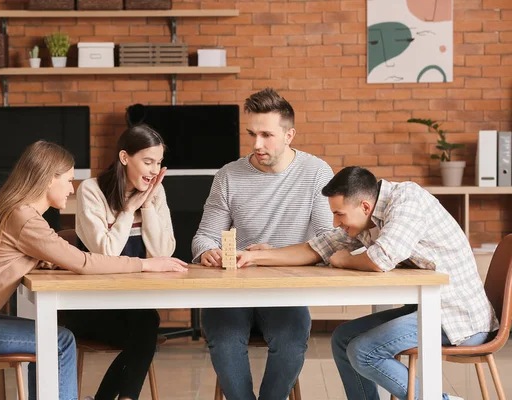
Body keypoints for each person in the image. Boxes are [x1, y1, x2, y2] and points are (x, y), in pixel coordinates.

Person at [0, 140, 187, 400]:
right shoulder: (25, 219)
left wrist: (56, 252)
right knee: (59, 342)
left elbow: (43, 249)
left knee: (49, 335)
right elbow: (83, 262)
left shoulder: (13, 211)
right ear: (50, 178)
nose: (72, 189)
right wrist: (145, 264)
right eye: (69, 180)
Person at [236, 166, 499, 400]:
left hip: (456, 318)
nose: (336, 223)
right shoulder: (368, 219)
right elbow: (316, 249)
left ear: (364, 206)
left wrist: (343, 262)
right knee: (342, 339)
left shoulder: (408, 200)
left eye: (339, 215)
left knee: (363, 351)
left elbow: (381, 258)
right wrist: (256, 256)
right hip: (427, 309)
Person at [191, 88, 334, 400]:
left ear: (289, 135)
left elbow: (327, 243)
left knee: (292, 339)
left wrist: (271, 256)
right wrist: (208, 251)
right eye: (252, 134)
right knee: (224, 338)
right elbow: (203, 236)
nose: (257, 144)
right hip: (233, 289)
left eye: (267, 135)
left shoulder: (316, 173)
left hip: (285, 288)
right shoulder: (229, 175)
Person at [61, 124, 175, 400]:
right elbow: (106, 254)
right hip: (90, 306)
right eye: (147, 161)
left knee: (146, 323)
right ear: (125, 158)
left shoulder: (155, 193)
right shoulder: (92, 191)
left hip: (132, 306)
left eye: (158, 163)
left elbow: (163, 253)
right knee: (146, 327)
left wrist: (147, 205)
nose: (153, 170)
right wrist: (129, 209)